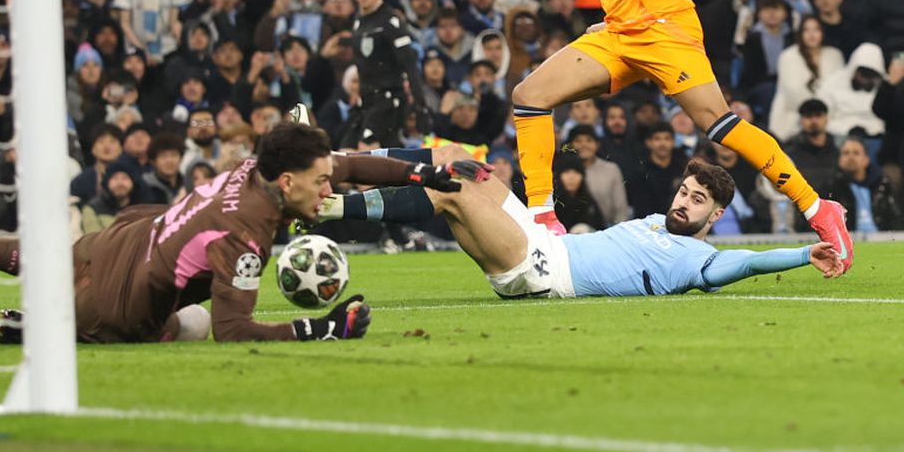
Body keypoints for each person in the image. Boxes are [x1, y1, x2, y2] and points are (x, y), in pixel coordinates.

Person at [515, 0, 852, 272]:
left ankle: (817, 209)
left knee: (719, 123)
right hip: (619, 34)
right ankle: (542, 219)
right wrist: (609, 11)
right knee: (529, 97)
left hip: (666, 30)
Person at [0, 123, 468, 344]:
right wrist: (323, 328)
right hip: (116, 309)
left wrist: (428, 171)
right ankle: (51, 330)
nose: (328, 192)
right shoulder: (247, 236)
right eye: (318, 184)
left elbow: (353, 163)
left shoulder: (264, 165)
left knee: (59, 256)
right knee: (186, 323)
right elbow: (235, 331)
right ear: (287, 180)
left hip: (119, 241)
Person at [324, 159, 843, 299]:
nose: (684, 203)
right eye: (685, 192)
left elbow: (749, 262)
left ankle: (327, 209)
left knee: (447, 193)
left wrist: (803, 254)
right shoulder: (654, 221)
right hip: (545, 242)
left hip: (541, 271)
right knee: (460, 164)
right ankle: (332, 162)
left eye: (698, 201)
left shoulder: (698, 263)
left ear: (717, 216)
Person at [345, 0, 429, 147]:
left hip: (388, 101)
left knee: (365, 152)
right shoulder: (358, 21)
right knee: (345, 150)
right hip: (366, 101)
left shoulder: (390, 22)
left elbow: (410, 64)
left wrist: (421, 106)